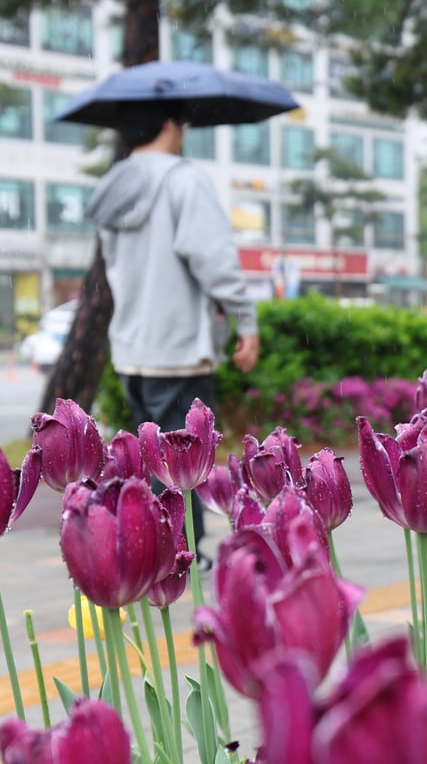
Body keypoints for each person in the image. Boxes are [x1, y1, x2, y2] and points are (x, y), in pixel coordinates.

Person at [86, 100, 260, 564]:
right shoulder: (184, 180)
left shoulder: (113, 187)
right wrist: (245, 320)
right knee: (182, 463)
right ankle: (180, 556)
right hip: (177, 345)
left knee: (150, 459)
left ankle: (152, 549)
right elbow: (214, 260)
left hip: (132, 348)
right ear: (168, 124)